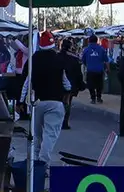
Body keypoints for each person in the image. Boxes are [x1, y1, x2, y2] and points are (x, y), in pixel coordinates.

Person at [19, 30, 69, 164]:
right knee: (50, 135)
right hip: (55, 103)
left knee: (36, 135)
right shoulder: (59, 60)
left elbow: (27, 83)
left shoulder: (34, 59)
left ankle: (35, 162)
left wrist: (21, 100)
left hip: (38, 103)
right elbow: (67, 83)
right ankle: (42, 162)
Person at [60, 39, 85, 131]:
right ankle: (65, 122)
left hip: (57, 85)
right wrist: (81, 85)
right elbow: (79, 74)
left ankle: (59, 120)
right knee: (67, 102)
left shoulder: (57, 57)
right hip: (70, 86)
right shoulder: (74, 59)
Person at [80, 34, 109, 104]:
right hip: (99, 70)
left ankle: (93, 98)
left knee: (91, 85)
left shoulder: (86, 50)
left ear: (89, 41)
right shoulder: (101, 49)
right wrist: (108, 69)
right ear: (97, 41)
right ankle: (99, 98)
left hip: (90, 71)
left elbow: (83, 61)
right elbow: (107, 60)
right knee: (99, 85)